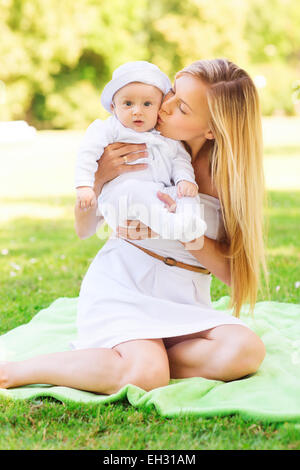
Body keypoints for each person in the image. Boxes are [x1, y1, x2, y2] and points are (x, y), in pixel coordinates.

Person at [0, 58, 266, 394]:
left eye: (181, 107)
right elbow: (84, 230)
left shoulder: (229, 179)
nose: (164, 107)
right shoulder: (136, 147)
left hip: (183, 298)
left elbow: (236, 275)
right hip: (123, 283)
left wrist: (184, 234)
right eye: (171, 93)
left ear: (211, 129)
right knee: (144, 375)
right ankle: (12, 371)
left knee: (246, 351)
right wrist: (98, 180)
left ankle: (144, 355)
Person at [75, 61, 206, 242]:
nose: (137, 111)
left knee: (186, 193)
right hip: (121, 196)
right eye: (128, 104)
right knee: (134, 191)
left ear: (159, 107)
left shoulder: (164, 135)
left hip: (157, 193)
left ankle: (190, 223)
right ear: (113, 107)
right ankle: (171, 227)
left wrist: (185, 180)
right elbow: (87, 154)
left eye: (147, 104)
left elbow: (179, 159)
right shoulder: (109, 129)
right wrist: (84, 185)